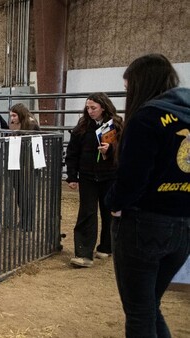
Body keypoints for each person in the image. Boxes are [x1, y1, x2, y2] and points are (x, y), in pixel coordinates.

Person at [105, 53, 190, 337]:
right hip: (183, 225)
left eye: (129, 88)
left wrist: (114, 203)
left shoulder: (147, 118)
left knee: (140, 313)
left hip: (144, 224)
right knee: (151, 305)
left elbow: (132, 178)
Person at [65, 92, 123, 268]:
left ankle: (107, 246)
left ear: (103, 107)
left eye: (93, 108)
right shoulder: (82, 127)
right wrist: (72, 176)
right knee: (87, 212)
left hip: (110, 176)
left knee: (108, 211)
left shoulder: (117, 125)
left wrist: (111, 150)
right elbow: (72, 153)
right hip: (88, 176)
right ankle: (83, 253)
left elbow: (125, 150)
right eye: (88, 108)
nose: (90, 111)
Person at [8, 103, 40, 231]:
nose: (12, 118)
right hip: (17, 163)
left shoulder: (32, 125)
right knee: (20, 194)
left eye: (15, 115)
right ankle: (23, 220)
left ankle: (28, 222)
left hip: (28, 164)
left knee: (27, 194)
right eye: (11, 116)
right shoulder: (14, 125)